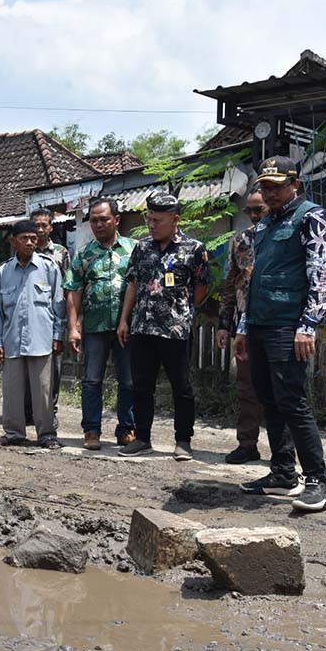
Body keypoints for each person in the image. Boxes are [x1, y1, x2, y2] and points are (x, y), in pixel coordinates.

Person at [233, 156, 326, 512]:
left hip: (288, 326)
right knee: (268, 397)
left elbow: (322, 275)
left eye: (277, 185)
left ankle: (319, 481)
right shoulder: (264, 226)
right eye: (265, 185)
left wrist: (308, 325)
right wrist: (244, 326)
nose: (270, 192)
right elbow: (254, 280)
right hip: (261, 324)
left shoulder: (312, 217)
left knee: (292, 400)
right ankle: (282, 473)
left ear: (296, 184)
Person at [117, 192, 210, 460]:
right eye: (149, 219)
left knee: (182, 387)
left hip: (175, 331)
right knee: (141, 386)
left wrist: (182, 310)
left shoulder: (194, 249)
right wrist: (124, 319)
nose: (151, 225)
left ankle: (183, 441)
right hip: (143, 329)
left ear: (175, 219)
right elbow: (132, 283)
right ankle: (142, 438)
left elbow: (202, 286)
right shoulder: (142, 247)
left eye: (157, 220)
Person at [66, 197, 136, 451]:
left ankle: (127, 429)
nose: (98, 224)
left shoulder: (133, 250)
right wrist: (73, 327)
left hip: (125, 327)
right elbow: (73, 291)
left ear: (116, 220)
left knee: (128, 380)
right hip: (94, 327)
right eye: (93, 220)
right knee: (92, 380)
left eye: (104, 219)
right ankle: (92, 431)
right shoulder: (84, 254)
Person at [0, 219, 65, 449]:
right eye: (25, 239)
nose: (31, 242)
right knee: (12, 391)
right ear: (14, 242)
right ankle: (14, 433)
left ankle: (47, 435)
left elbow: (58, 304)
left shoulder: (49, 267)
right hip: (12, 341)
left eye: (34, 238)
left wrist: (57, 335)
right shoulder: (3, 272)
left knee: (43, 391)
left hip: (42, 340)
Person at [216, 188, 268, 463]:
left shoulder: (286, 237)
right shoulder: (241, 241)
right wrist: (224, 324)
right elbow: (229, 284)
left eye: (259, 209)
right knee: (247, 387)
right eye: (249, 211)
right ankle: (247, 444)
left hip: (276, 326)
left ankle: (285, 452)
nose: (254, 215)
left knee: (280, 390)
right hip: (244, 327)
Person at [28, 207, 71, 426]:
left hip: (54, 317)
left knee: (54, 368)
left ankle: (50, 411)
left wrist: (65, 325)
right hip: (30, 320)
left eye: (44, 225)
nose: (40, 229)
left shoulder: (61, 253)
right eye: (36, 225)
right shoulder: (25, 250)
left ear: (51, 227)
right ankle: (29, 412)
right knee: (28, 368)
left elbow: (68, 288)